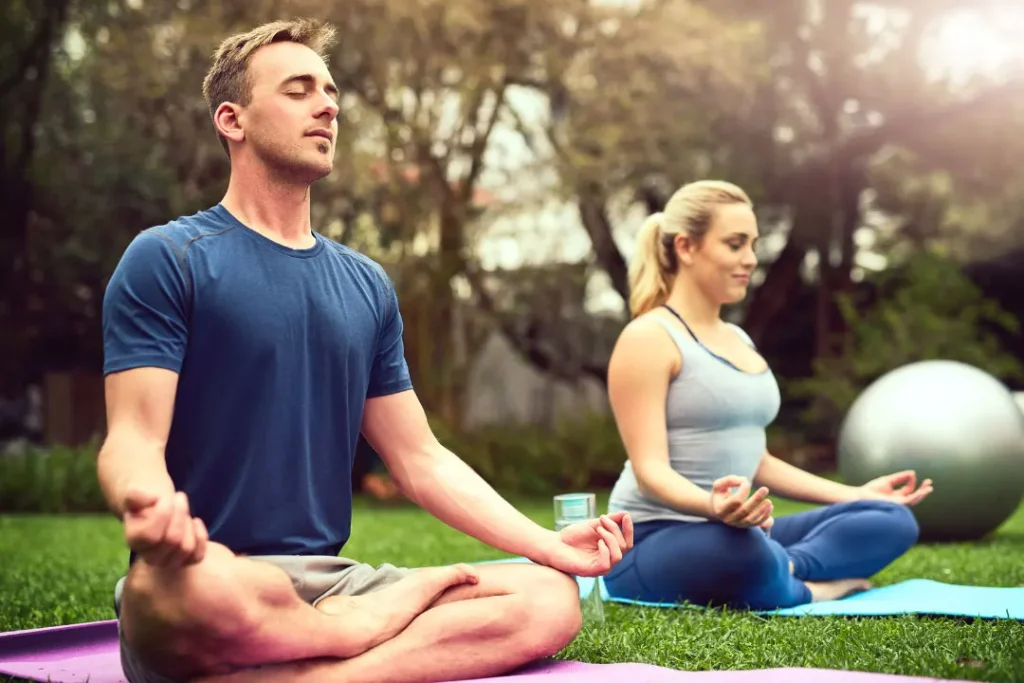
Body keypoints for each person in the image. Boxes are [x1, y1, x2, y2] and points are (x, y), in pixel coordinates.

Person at [98, 18, 633, 683]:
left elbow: (420, 457)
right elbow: (132, 439)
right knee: (191, 595)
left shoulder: (366, 283)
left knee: (548, 597)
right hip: (208, 574)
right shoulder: (168, 258)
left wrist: (548, 545)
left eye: (330, 93)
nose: (327, 105)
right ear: (232, 120)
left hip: (334, 584)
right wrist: (147, 505)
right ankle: (347, 640)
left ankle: (320, 670)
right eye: (299, 89)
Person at [601, 180, 932, 611]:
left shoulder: (738, 338)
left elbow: (756, 459)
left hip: (738, 530)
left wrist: (855, 493)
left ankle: (784, 568)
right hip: (650, 540)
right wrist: (712, 506)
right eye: (735, 244)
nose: (750, 259)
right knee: (744, 548)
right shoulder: (648, 338)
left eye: (752, 245)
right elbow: (649, 471)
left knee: (891, 519)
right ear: (686, 247)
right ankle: (815, 586)